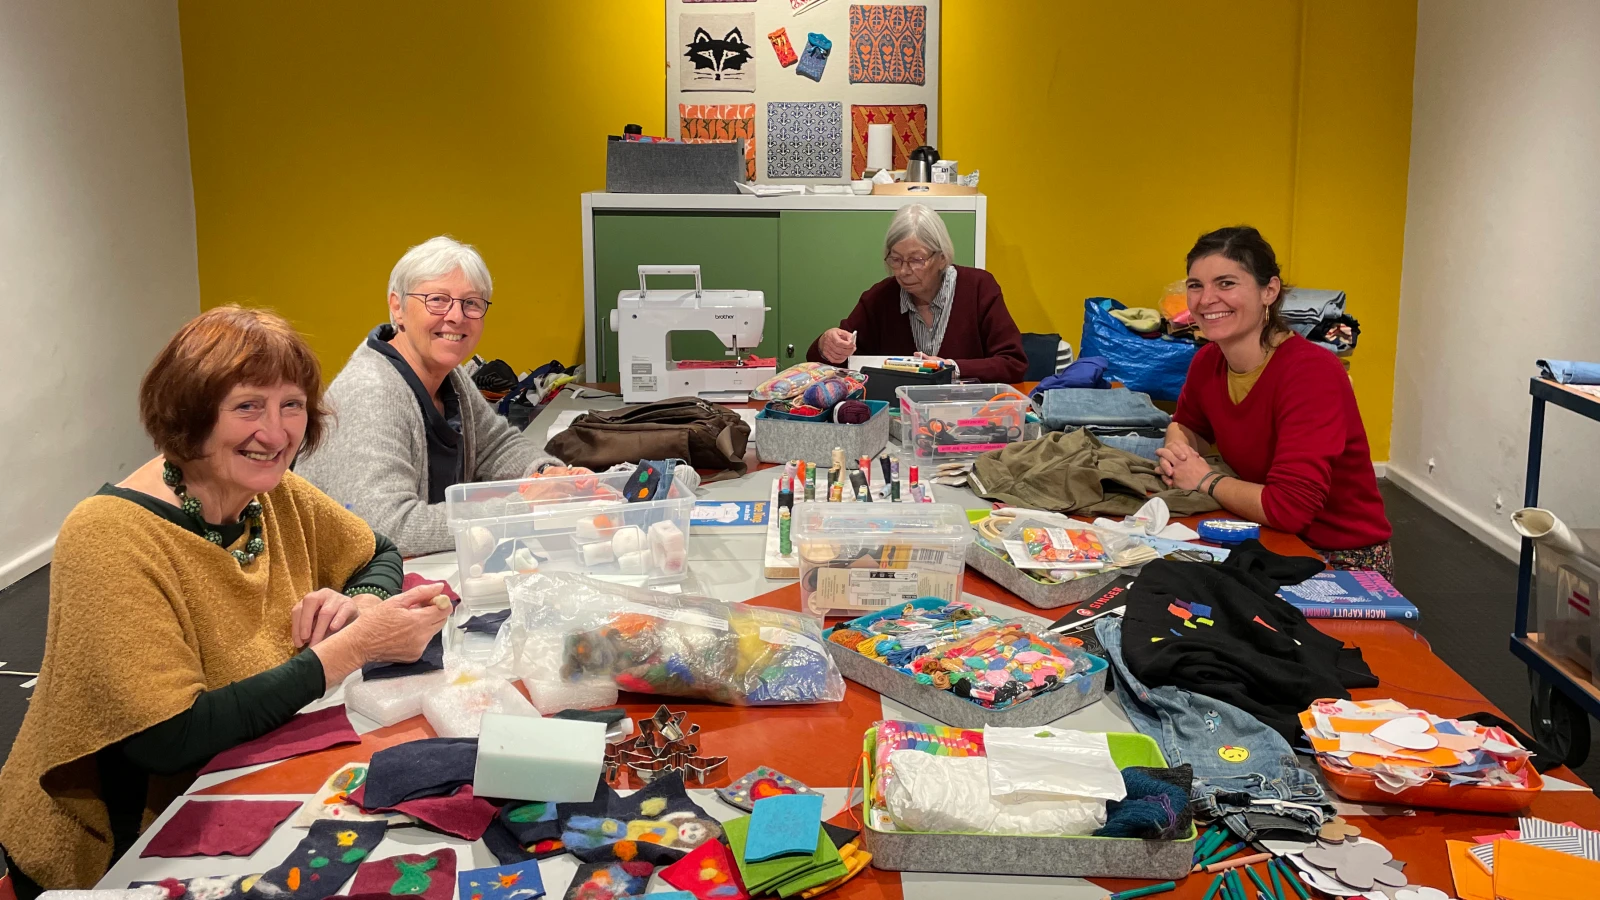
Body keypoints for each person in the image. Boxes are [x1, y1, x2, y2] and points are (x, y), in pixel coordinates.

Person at [0, 307, 450, 893]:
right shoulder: (109, 535)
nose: (276, 432)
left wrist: (362, 601)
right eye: (247, 406)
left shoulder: (274, 493)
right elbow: (169, 736)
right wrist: (350, 649)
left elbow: (379, 552)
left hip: (240, 772)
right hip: (119, 841)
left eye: (291, 404)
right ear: (189, 415)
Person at [297, 236, 582, 556]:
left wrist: (546, 474)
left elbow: (496, 446)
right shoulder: (372, 393)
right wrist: (523, 506)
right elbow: (388, 528)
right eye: (437, 300)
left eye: (471, 303)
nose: (456, 316)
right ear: (397, 307)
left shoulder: (449, 374)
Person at [1156, 226, 1394, 578]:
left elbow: (1290, 508)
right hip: (1267, 535)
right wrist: (1179, 453)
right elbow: (1188, 423)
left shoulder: (1311, 373)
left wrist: (1204, 479)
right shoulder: (1209, 361)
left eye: (1226, 283)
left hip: (1339, 558)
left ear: (1269, 290)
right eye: (1196, 285)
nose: (1206, 299)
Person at [807, 204, 1028, 383]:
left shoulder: (979, 287)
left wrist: (952, 368)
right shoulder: (879, 299)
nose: (903, 271)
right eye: (896, 259)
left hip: (967, 415)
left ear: (942, 257)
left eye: (916, 259)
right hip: (899, 416)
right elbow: (827, 364)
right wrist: (826, 345)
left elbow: (1013, 363)